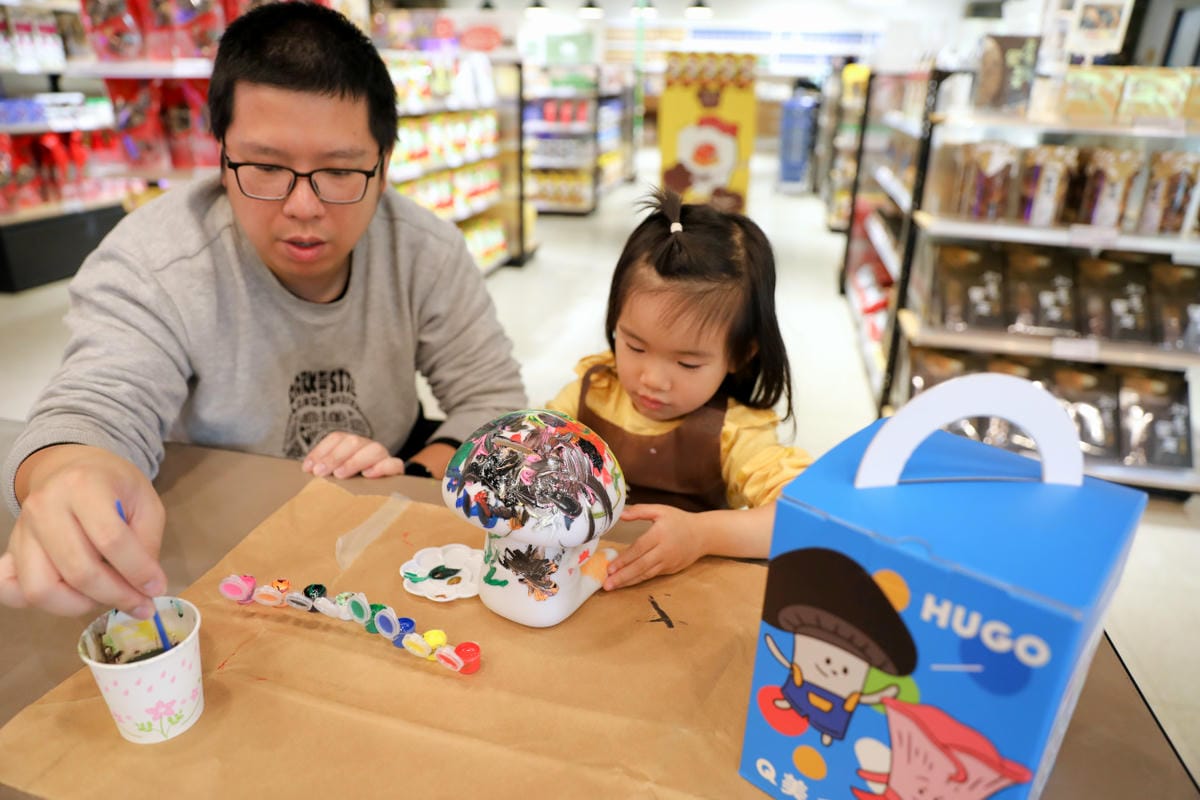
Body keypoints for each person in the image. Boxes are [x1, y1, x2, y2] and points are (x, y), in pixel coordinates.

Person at [0, 2, 526, 620]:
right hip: (211, 547)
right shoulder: (155, 261)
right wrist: (71, 471)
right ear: (221, 158)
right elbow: (95, 403)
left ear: (384, 168)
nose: (303, 205)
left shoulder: (425, 251)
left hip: (376, 538)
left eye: (338, 170)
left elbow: (496, 404)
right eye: (267, 167)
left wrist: (409, 471)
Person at [544, 189, 811, 590]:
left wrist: (702, 535)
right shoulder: (594, 392)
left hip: (684, 605)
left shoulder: (733, 433)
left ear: (739, 355)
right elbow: (531, 448)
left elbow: (805, 517)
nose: (652, 379)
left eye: (687, 363)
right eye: (634, 346)